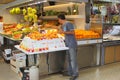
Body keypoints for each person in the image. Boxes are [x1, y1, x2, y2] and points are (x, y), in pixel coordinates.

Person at [45, 13, 79, 80]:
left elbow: (72, 32)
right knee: (69, 59)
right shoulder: (63, 25)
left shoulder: (69, 23)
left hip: (72, 44)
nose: (58, 21)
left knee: (73, 60)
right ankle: (70, 72)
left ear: (60, 19)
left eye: (58, 19)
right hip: (67, 44)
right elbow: (58, 28)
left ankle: (75, 74)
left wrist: (63, 32)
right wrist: (49, 26)